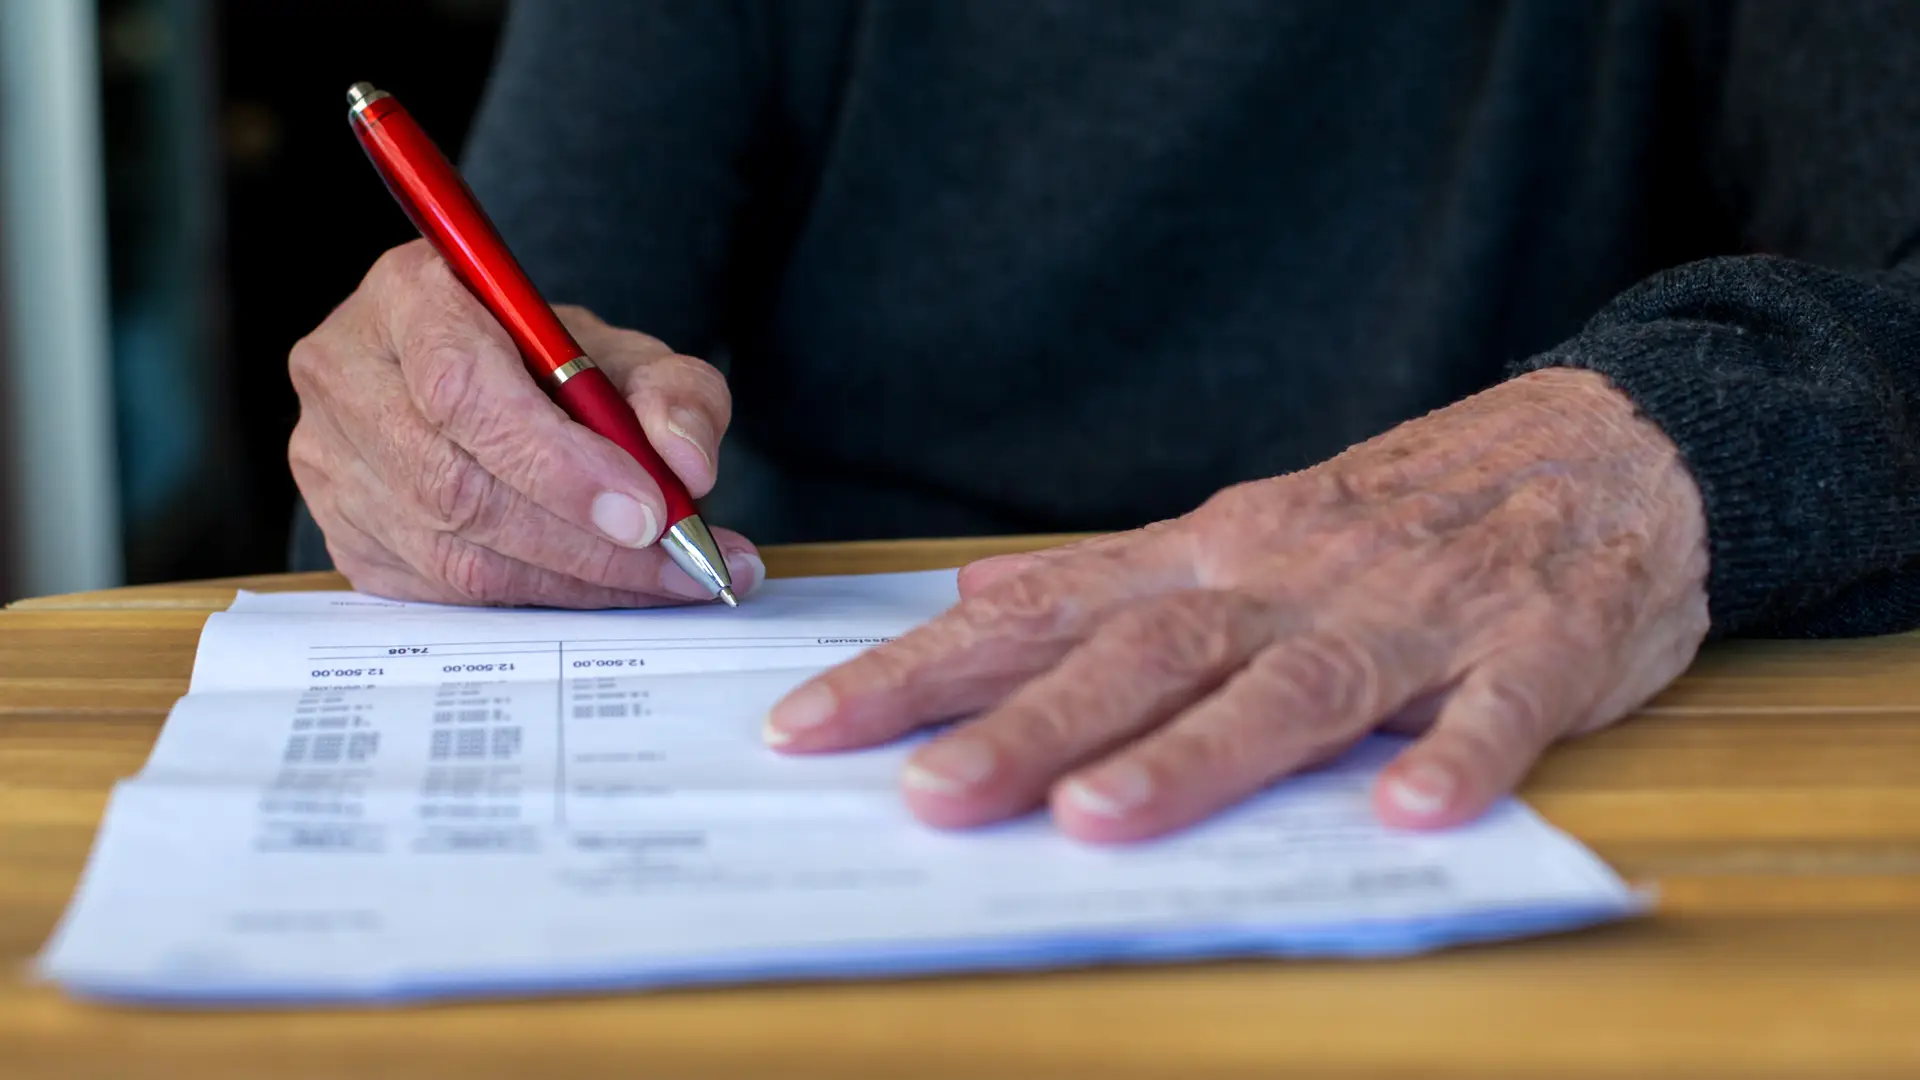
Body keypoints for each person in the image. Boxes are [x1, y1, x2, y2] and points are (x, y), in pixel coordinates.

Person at [287, 0, 1920, 845]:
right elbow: (527, 340)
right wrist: (438, 441)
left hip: (1555, 730)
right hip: (797, 730)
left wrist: (1650, 452)